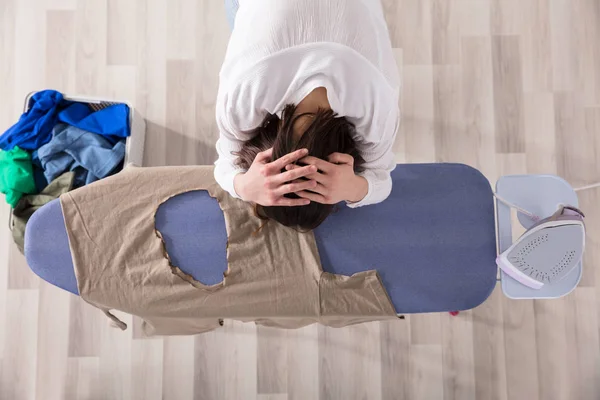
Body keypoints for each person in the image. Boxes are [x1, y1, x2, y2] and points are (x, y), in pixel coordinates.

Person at [215, 0, 400, 230]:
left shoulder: (377, 106)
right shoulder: (243, 96)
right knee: (246, 22)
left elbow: (382, 182)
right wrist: (242, 185)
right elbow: (223, 164)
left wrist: (353, 187)